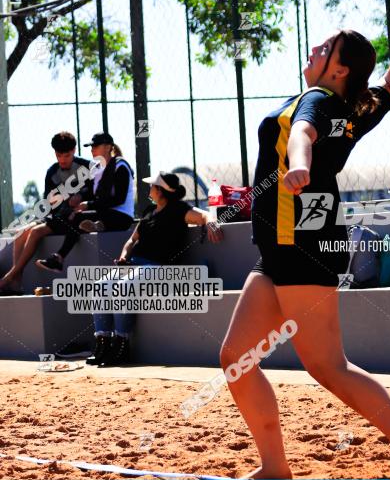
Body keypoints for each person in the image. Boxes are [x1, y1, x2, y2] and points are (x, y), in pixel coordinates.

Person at [219, 29, 390, 480]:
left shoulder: (319, 100)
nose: (313, 52)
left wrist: (300, 164)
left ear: (337, 70)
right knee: (236, 358)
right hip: (285, 245)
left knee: (327, 365)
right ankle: (274, 467)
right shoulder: (352, 107)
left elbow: (303, 132)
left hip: (302, 242)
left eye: (323, 50)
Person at [86, 171, 224, 367]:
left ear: (161, 191)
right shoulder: (149, 211)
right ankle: (103, 344)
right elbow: (132, 240)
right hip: (137, 265)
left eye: (153, 186)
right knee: (100, 286)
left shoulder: (178, 209)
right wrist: (124, 256)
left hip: (161, 268)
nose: (149, 189)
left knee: (123, 287)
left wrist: (211, 222)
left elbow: (204, 215)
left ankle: (122, 345)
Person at [0, 131, 92, 295]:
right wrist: (59, 200)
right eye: (59, 155)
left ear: (74, 150)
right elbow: (48, 202)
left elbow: (97, 193)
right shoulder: (52, 172)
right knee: (22, 231)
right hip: (56, 217)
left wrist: (82, 197)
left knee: (35, 232)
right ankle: (16, 281)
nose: (62, 159)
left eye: (67, 155)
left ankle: (9, 276)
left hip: (74, 219)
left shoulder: (86, 167)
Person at [36, 132, 135, 273]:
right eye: (91, 146)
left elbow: (118, 199)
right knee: (76, 216)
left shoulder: (121, 166)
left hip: (121, 217)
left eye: (95, 146)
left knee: (79, 217)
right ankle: (96, 226)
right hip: (105, 213)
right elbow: (95, 196)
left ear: (107, 147)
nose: (92, 149)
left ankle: (59, 257)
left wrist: (88, 205)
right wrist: (79, 203)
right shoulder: (98, 169)